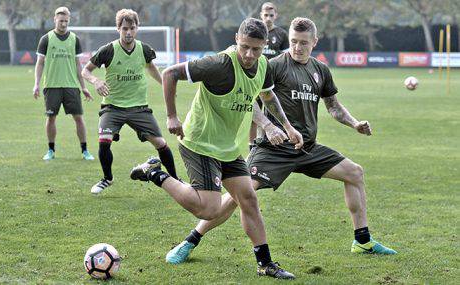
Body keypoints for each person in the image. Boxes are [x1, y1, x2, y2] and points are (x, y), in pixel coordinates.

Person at [165, 17, 397, 265]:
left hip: (306, 147)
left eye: (303, 43)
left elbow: (333, 106)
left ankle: (362, 241)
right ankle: (191, 240)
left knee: (354, 173)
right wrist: (267, 127)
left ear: (314, 42)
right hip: (273, 150)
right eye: (294, 42)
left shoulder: (320, 71)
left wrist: (354, 123)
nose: (297, 47)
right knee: (237, 197)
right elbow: (250, 98)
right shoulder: (272, 64)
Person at [130, 18, 303, 279]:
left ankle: (265, 264)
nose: (249, 54)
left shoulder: (263, 65)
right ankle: (156, 172)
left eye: (256, 49)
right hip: (199, 142)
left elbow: (267, 95)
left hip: (228, 147)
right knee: (209, 209)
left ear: (265, 45)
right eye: (244, 46)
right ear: (236, 38)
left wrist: (287, 126)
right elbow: (170, 74)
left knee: (248, 199)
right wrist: (172, 116)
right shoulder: (219, 64)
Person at [81, 9, 178, 194]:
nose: (128, 32)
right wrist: (96, 81)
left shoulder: (144, 49)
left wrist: (166, 85)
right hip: (112, 107)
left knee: (161, 143)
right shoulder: (108, 50)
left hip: (139, 108)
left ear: (137, 28)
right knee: (104, 141)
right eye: (124, 28)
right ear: (118, 28)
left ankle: (176, 179)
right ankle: (107, 179)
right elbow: (85, 71)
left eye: (132, 28)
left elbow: (151, 68)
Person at [33, 7, 94, 161]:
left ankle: (85, 151)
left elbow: (78, 65)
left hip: (71, 86)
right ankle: (51, 150)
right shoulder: (46, 39)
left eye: (66, 21)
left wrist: (84, 87)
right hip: (51, 86)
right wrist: (36, 84)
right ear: (55, 20)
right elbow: (39, 63)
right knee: (51, 118)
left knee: (79, 118)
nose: (64, 24)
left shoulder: (74, 39)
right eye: (61, 21)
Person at [249, 2, 290, 144]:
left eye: (271, 15)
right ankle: (252, 146)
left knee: (272, 112)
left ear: (276, 16)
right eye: (265, 15)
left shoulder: (282, 34)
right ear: (261, 15)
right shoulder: (255, 32)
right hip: (254, 78)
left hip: (272, 81)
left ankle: (265, 141)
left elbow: (286, 59)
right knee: (253, 114)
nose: (268, 18)